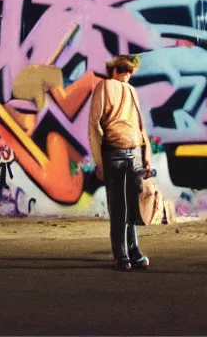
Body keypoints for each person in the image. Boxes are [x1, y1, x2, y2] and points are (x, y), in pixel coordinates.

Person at [88, 55, 153, 271]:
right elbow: (95, 127)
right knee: (120, 208)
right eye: (123, 69)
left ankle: (131, 252)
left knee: (129, 207)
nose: (126, 74)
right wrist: (100, 162)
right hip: (117, 153)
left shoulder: (128, 90)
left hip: (129, 152)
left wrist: (147, 155)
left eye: (129, 70)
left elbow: (140, 126)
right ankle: (123, 254)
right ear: (113, 70)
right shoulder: (105, 87)